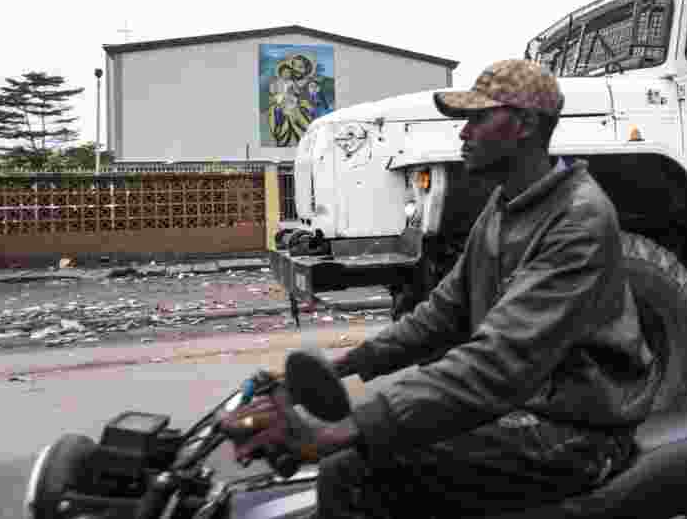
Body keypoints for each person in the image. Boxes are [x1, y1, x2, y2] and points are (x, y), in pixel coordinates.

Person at [222, 59, 658, 518]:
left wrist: (349, 428)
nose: (463, 133)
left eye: (477, 118)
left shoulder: (577, 218)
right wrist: (345, 364)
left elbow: (497, 361)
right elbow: (443, 314)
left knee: (349, 468)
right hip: (522, 404)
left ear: (524, 124)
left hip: (576, 428)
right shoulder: (503, 206)